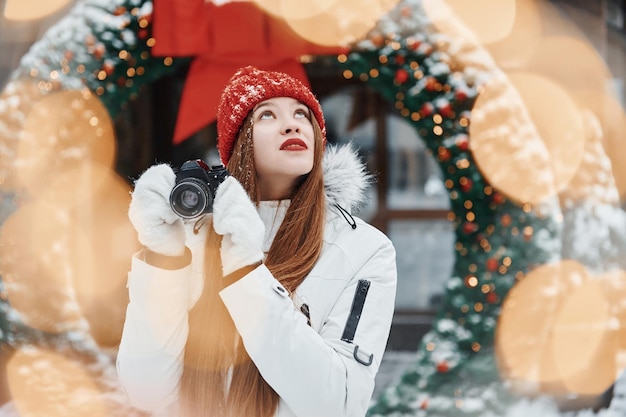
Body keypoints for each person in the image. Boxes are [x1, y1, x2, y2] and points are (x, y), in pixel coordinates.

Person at [116, 66, 397, 417]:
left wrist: (248, 272)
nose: (292, 125)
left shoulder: (364, 250)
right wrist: (163, 258)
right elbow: (146, 392)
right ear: (239, 144)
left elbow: (336, 404)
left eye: (302, 114)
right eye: (267, 114)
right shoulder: (192, 240)